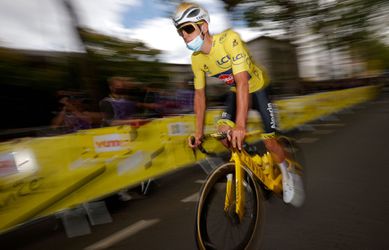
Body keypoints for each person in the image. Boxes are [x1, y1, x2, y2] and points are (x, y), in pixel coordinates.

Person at [172, 2, 304, 206]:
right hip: (236, 93)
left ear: (204, 26)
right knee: (223, 131)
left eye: (188, 28)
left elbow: (243, 82)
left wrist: (241, 125)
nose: (184, 35)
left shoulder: (229, 40)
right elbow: (200, 97)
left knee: (269, 141)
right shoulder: (196, 59)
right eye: (181, 31)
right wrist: (198, 133)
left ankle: (288, 174)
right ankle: (247, 158)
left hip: (258, 88)